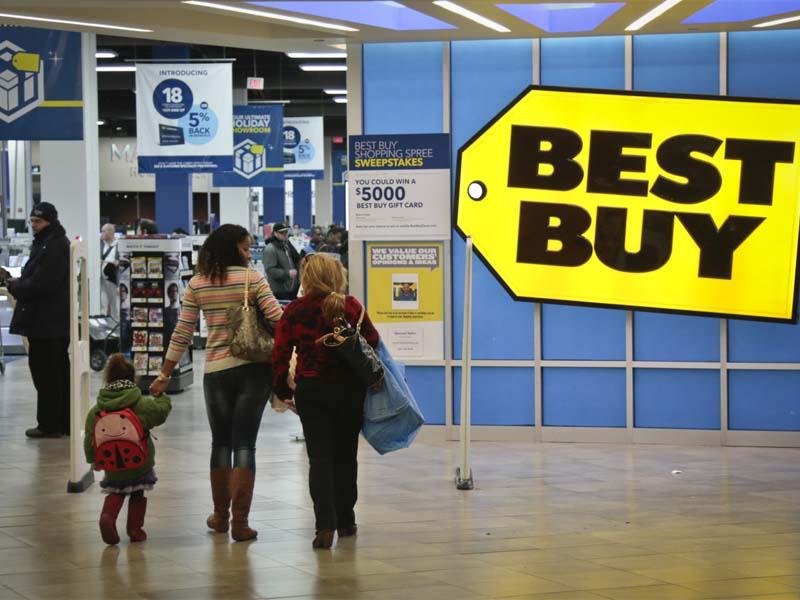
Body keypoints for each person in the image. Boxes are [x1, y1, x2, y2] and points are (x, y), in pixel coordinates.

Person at [150, 224, 282, 542]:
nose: (249, 254)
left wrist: (165, 373)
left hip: (216, 372)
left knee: (221, 443)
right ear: (232, 247)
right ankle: (241, 523)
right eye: (245, 248)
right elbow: (278, 319)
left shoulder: (198, 283)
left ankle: (221, 517)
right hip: (253, 369)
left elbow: (183, 332)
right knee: (245, 444)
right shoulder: (253, 279)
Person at [272, 253, 380, 549]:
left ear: (307, 278)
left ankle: (324, 526)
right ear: (336, 275)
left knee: (319, 458)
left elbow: (280, 354)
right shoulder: (351, 306)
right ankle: (346, 520)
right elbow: (372, 341)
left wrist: (283, 390)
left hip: (312, 390)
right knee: (346, 456)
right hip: (349, 390)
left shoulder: (295, 310)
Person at [84, 354, 172, 545]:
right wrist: (162, 397)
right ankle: (135, 529)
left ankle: (107, 516)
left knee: (116, 492)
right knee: (138, 493)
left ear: (108, 378)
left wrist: (93, 460)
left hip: (112, 465)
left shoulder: (97, 410)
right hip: (140, 462)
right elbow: (160, 412)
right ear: (133, 378)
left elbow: (90, 438)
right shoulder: (140, 404)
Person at [7, 202, 71, 438]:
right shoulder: (48, 242)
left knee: (47, 375)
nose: (33, 225)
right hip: (49, 322)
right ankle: (61, 423)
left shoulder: (52, 246)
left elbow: (42, 284)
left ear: (50, 221)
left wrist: (16, 287)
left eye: (38, 221)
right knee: (55, 374)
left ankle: (50, 425)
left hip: (47, 323)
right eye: (32, 221)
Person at [264, 222, 301, 301]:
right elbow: (270, 270)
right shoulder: (270, 249)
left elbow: (296, 259)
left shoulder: (286, 246)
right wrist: (287, 273)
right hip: (280, 291)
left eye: (286, 232)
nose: (285, 234)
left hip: (291, 289)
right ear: (275, 233)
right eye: (282, 232)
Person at [100, 223, 119, 321]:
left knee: (115, 305)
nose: (101, 233)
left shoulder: (119, 245)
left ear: (111, 232)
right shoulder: (100, 245)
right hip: (101, 280)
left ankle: (116, 325)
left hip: (113, 280)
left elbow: (123, 263)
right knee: (102, 304)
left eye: (103, 231)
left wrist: (116, 262)